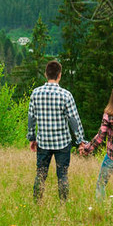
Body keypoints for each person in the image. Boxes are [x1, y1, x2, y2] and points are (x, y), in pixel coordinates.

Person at [27, 60, 87, 202]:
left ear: (45, 74)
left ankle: (37, 203)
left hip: (43, 142)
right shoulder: (66, 95)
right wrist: (81, 141)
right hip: (62, 143)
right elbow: (74, 120)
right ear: (59, 75)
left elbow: (31, 118)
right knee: (62, 175)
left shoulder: (35, 94)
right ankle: (63, 204)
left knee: (40, 174)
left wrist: (31, 137)